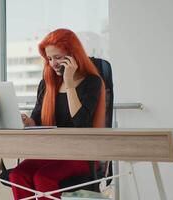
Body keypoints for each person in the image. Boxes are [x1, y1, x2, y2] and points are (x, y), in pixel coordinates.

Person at [9, 28, 106, 200]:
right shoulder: (47, 84)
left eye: (58, 57)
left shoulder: (92, 82)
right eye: (50, 58)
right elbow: (37, 121)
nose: (53, 63)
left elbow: (82, 124)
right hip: (51, 151)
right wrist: (27, 122)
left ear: (73, 55)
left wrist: (69, 83)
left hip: (82, 155)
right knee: (17, 176)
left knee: (43, 177)